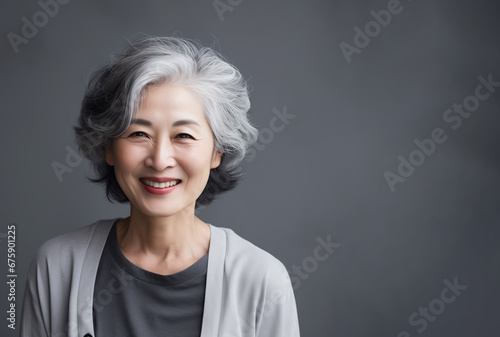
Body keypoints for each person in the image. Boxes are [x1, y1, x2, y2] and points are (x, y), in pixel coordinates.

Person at [20, 36, 300, 337]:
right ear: (109, 148)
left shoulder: (262, 280)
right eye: (139, 133)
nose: (160, 159)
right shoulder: (58, 266)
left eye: (184, 136)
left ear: (217, 152)